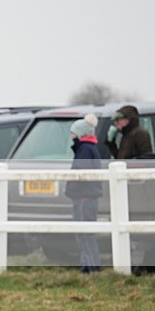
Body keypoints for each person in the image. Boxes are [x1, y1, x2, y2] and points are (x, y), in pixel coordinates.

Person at [64, 114, 102, 273]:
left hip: (83, 199)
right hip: (87, 198)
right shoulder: (89, 148)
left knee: (84, 235)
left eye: (73, 132)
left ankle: (89, 266)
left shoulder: (84, 149)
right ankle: (92, 265)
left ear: (80, 133)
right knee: (87, 235)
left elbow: (81, 174)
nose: (71, 136)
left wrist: (71, 186)